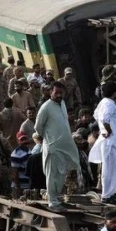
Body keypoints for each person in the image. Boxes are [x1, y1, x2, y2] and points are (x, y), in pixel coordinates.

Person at [35, 81, 81, 211]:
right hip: (52, 147)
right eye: (57, 93)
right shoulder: (46, 107)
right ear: (51, 92)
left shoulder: (62, 104)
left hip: (64, 147)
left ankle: (56, 198)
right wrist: (49, 137)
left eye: (61, 93)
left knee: (62, 174)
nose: (59, 95)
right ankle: (52, 202)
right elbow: (38, 127)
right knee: (52, 174)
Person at [89, 82, 116, 204]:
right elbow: (104, 118)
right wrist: (108, 129)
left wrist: (103, 128)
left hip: (110, 140)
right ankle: (107, 195)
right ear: (114, 92)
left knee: (110, 168)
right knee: (112, 169)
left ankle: (109, 193)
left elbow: (96, 115)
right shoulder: (109, 104)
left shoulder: (103, 102)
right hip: (111, 141)